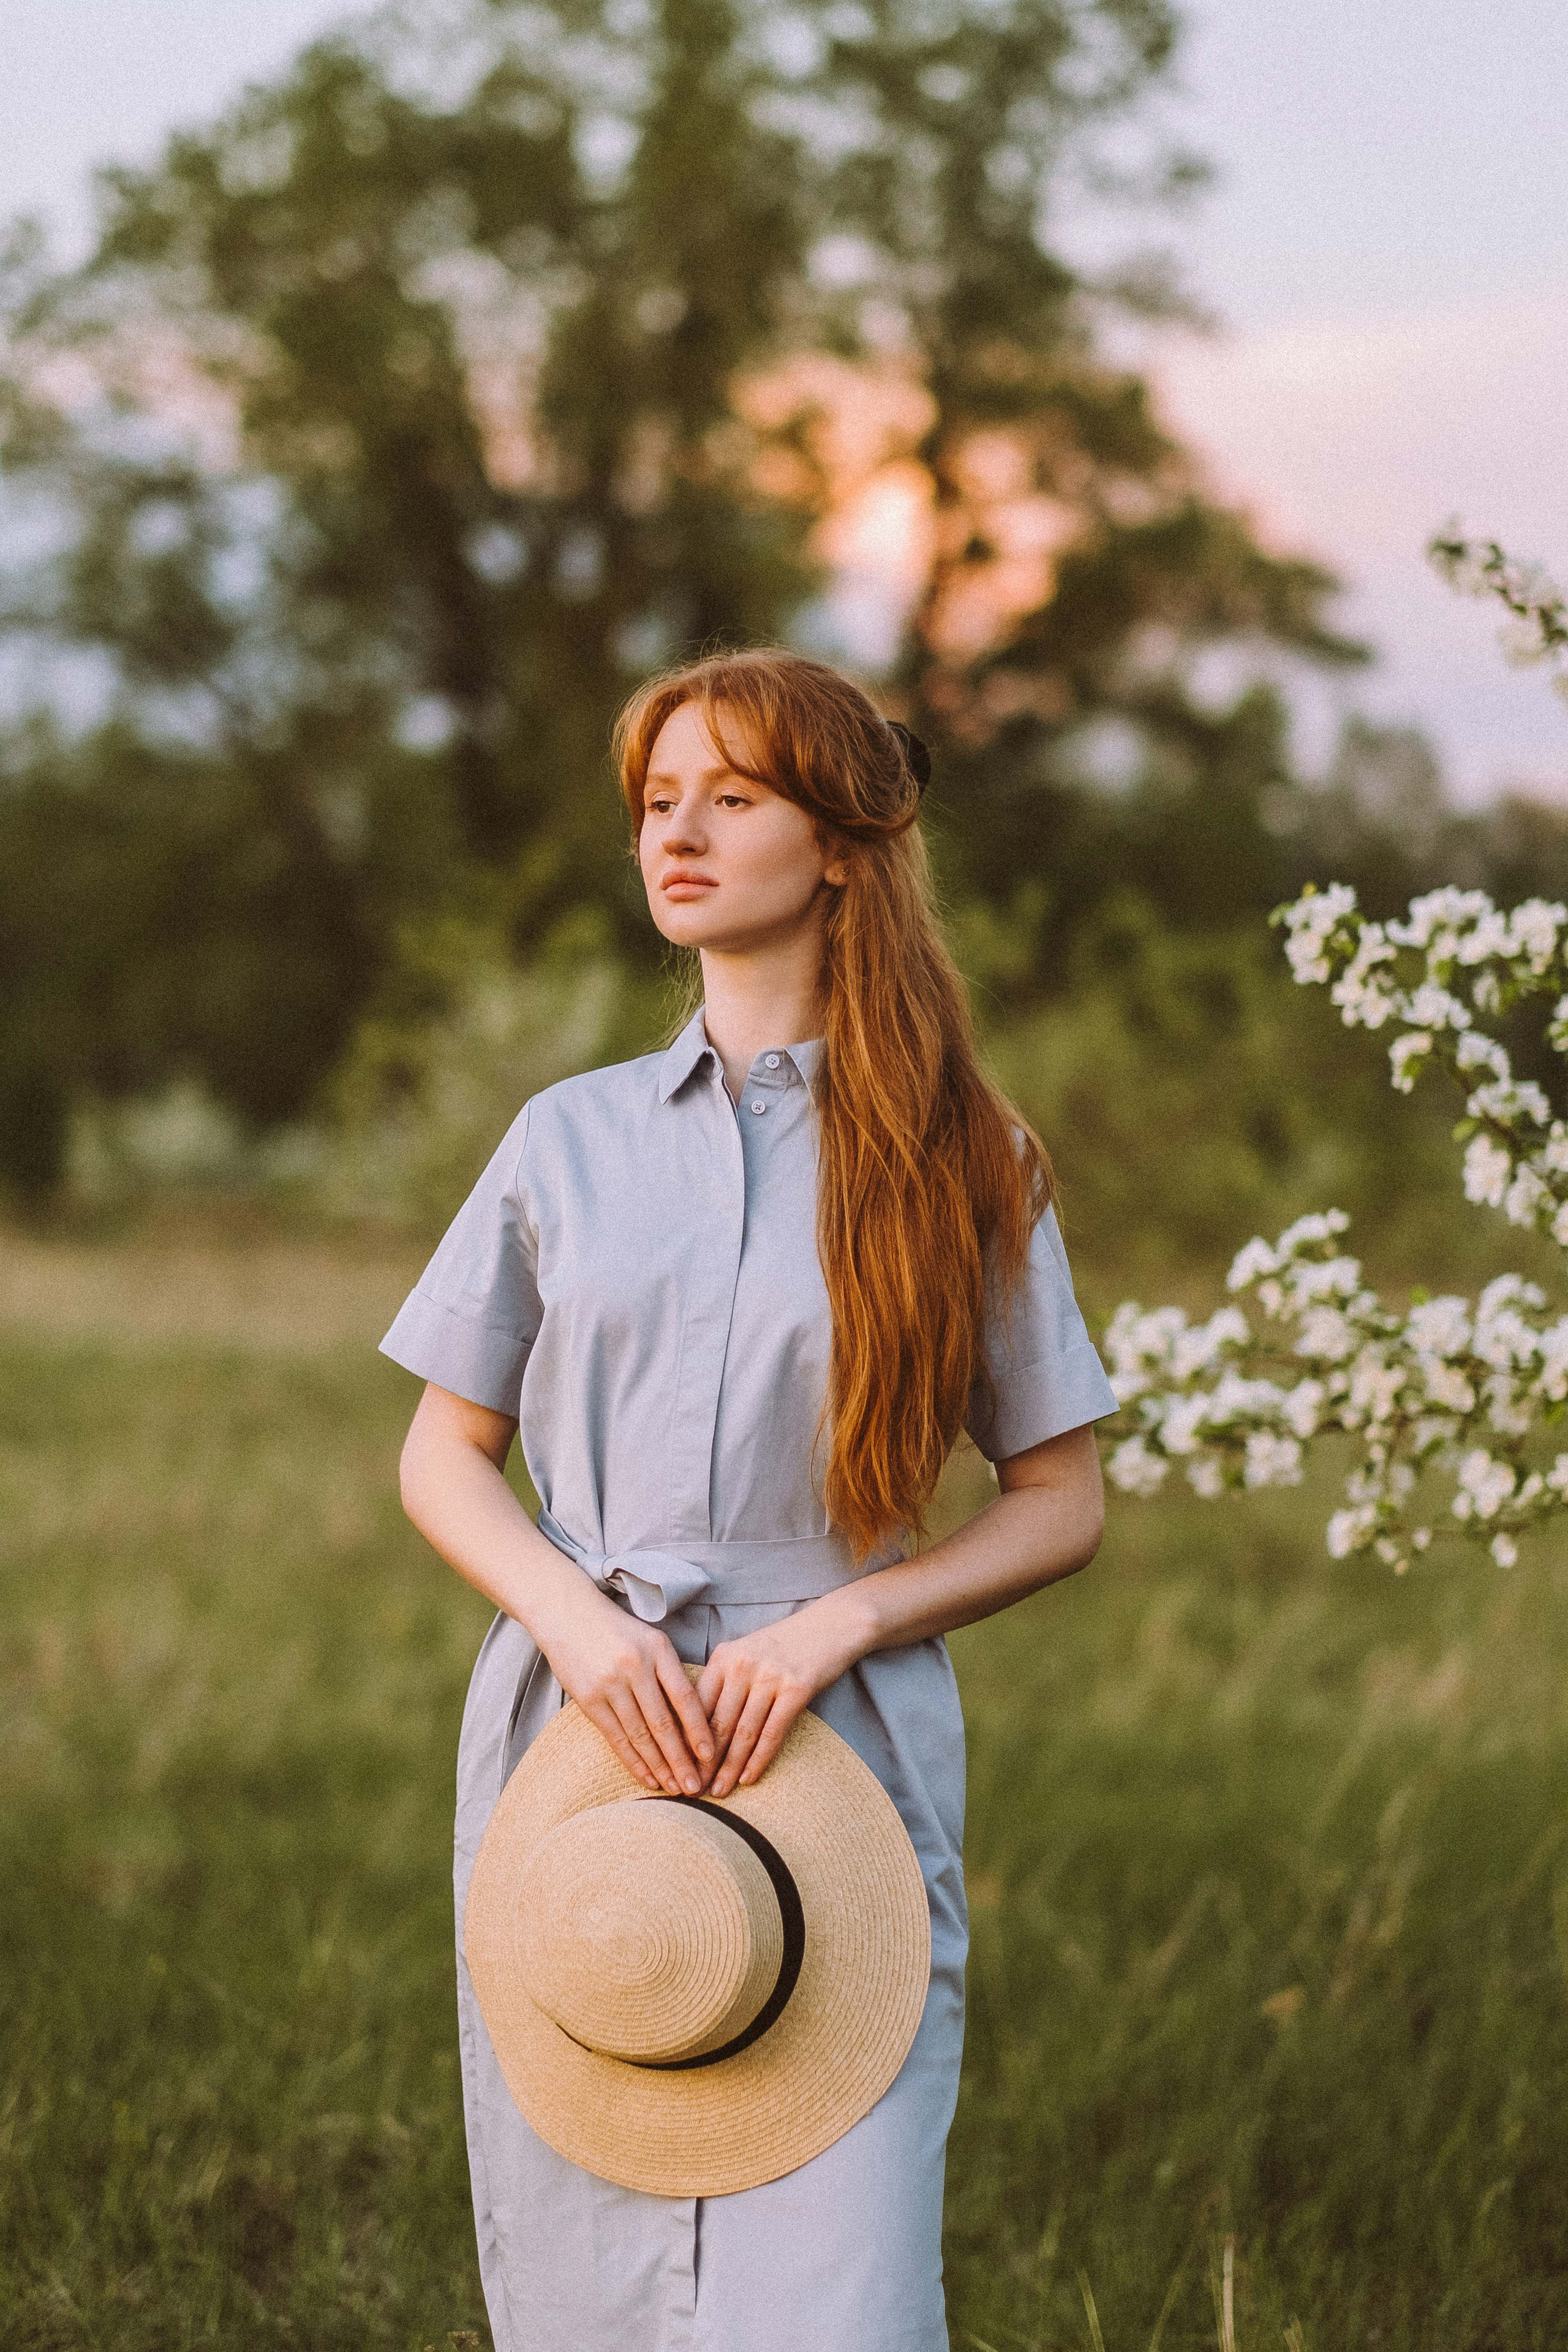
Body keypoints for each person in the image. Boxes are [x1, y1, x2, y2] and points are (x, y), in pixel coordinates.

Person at [382, 649, 1117, 2352]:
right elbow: (441, 1452)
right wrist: (576, 1622)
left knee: (841, 2300)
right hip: (581, 1728)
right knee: (592, 2283)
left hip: (836, 1737)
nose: (680, 836)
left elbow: (1060, 1498)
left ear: (846, 843)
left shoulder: (969, 1157)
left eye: (736, 795)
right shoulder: (563, 1140)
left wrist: (843, 1620)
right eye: (657, 803)